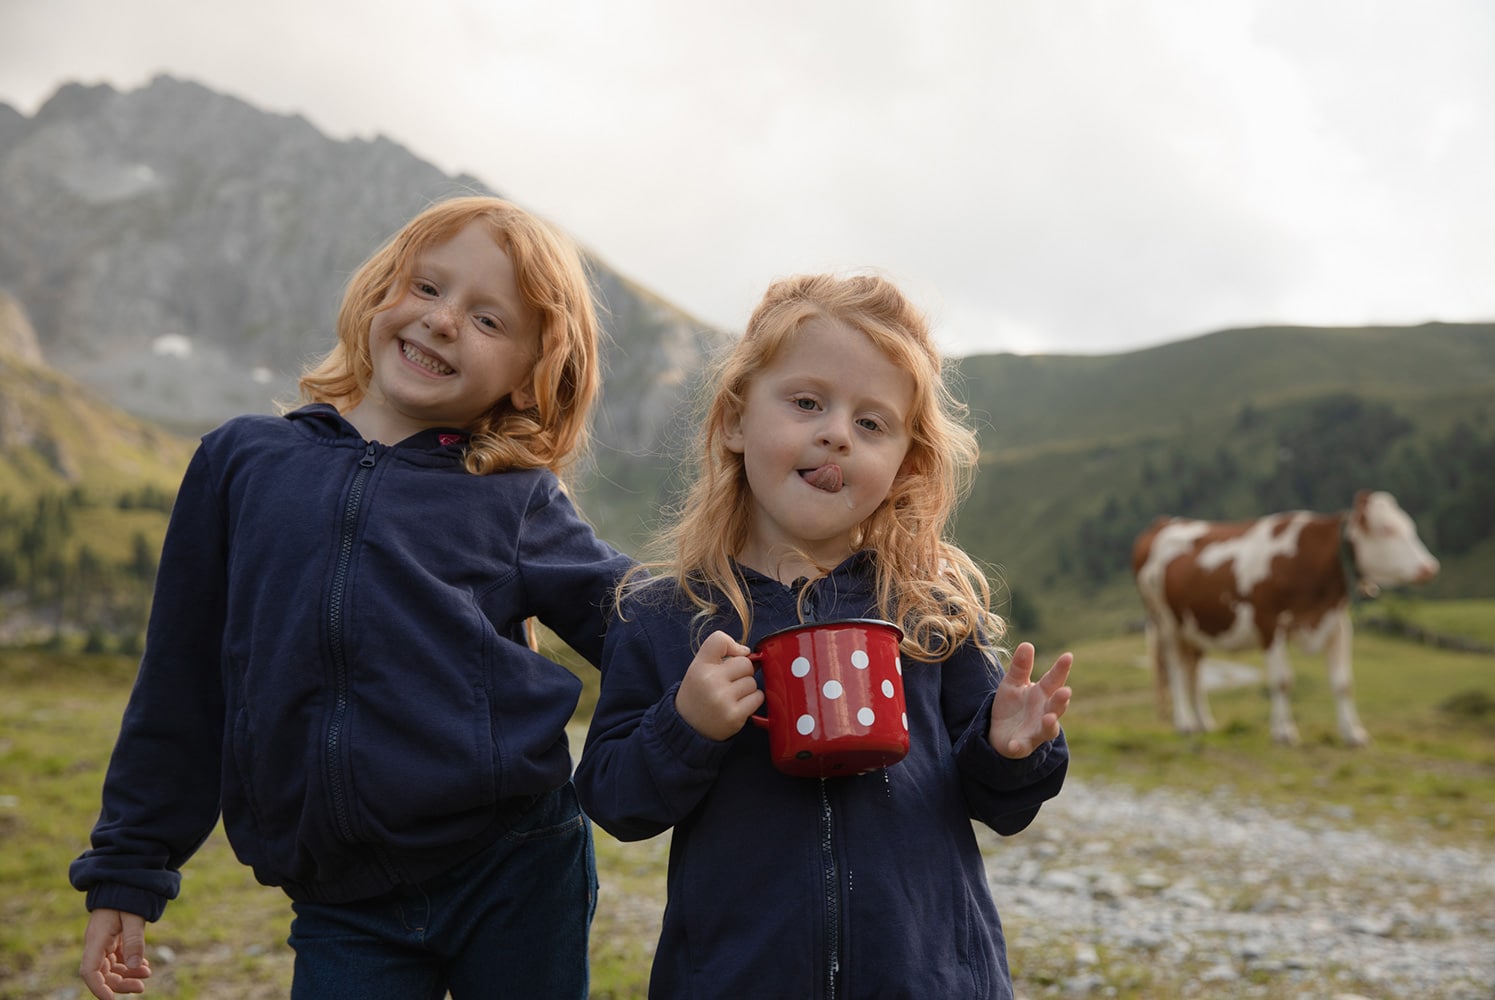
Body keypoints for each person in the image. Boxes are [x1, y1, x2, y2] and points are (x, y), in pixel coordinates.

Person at [70, 196, 635, 1000]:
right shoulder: (243, 464)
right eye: (429, 288)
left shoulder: (515, 497)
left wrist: (765, 625)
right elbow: (181, 682)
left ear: (529, 376)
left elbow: (633, 620)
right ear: (379, 290)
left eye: (488, 320)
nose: (443, 322)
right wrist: (128, 866)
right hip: (341, 899)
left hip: (515, 865)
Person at [574, 272, 1075, 998]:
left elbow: (1001, 805)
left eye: (872, 424)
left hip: (928, 980)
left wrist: (1010, 747)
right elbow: (615, 801)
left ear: (905, 464)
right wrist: (686, 726)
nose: (837, 431)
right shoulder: (662, 615)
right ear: (737, 421)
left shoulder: (929, 613)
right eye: (807, 402)